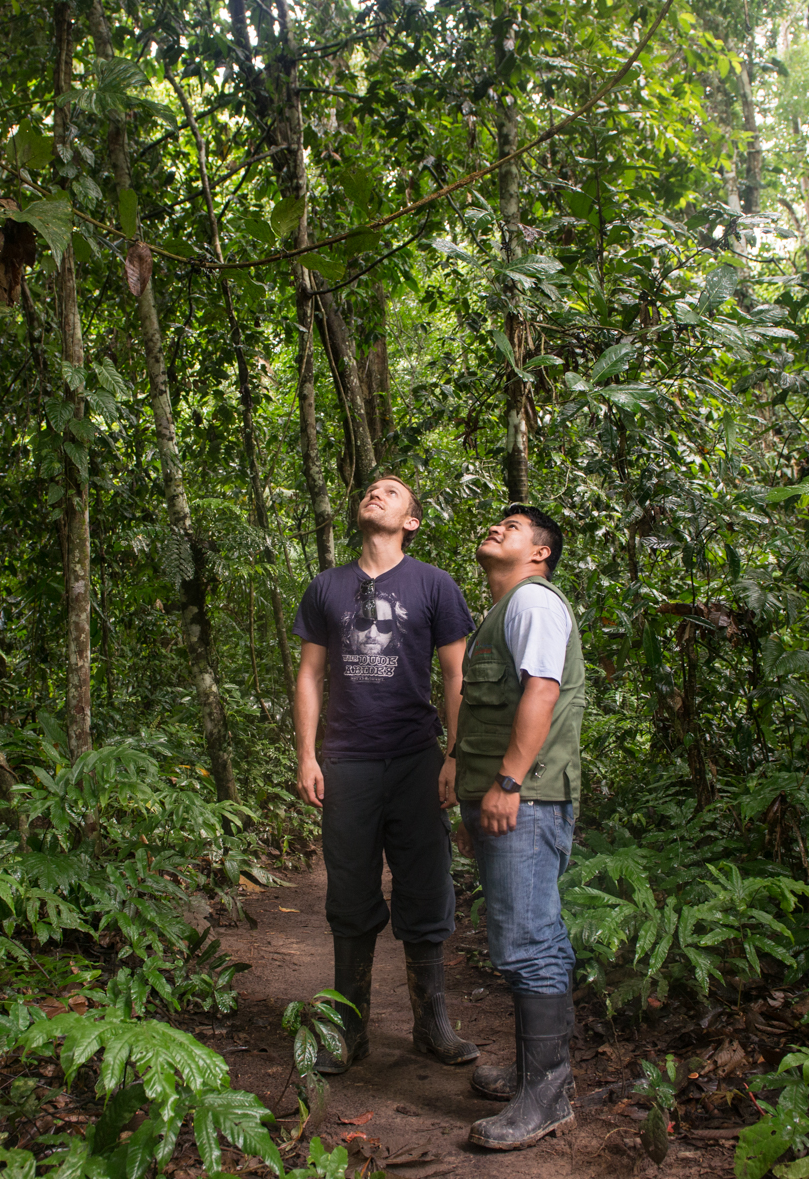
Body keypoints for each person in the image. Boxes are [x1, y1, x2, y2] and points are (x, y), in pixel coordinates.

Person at [292, 475, 479, 1075]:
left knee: (426, 886)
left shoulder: (434, 584)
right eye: (371, 489)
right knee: (349, 890)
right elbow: (309, 676)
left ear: (412, 521)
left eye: (392, 492)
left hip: (415, 757)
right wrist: (306, 755)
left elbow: (456, 676)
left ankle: (432, 1025)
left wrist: (456, 754)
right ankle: (351, 1030)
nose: (377, 493)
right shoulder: (326, 587)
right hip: (348, 760)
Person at [454, 504, 585, 1151]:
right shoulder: (503, 613)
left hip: (526, 799)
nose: (497, 528)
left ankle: (548, 1093)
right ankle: (537, 1075)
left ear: (539, 553)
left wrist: (507, 783)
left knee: (528, 941)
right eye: (497, 523)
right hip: (506, 800)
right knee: (527, 934)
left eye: (514, 527)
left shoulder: (534, 602)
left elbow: (542, 692)